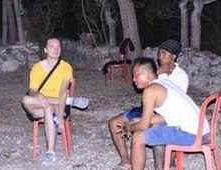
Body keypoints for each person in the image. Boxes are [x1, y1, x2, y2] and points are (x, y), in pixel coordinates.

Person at [112, 58, 208, 170]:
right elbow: (167, 116)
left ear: (147, 74)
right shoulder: (164, 82)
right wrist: (143, 120)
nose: (133, 79)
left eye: (136, 75)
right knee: (150, 126)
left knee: (138, 137)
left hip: (193, 136)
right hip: (204, 132)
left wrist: (128, 127)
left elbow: (143, 126)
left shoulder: (150, 91)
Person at [107, 39, 188, 169]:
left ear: (174, 57)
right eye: (160, 53)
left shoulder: (180, 76)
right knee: (114, 122)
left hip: (164, 113)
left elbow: (175, 111)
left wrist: (141, 121)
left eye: (164, 54)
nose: (160, 56)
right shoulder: (158, 72)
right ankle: (125, 160)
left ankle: (168, 162)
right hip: (148, 108)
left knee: (153, 127)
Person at [21, 38, 88, 163]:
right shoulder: (37, 67)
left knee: (48, 109)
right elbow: (33, 90)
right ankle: (70, 101)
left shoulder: (65, 67)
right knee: (25, 99)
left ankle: (50, 152)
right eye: (52, 46)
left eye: (58, 47)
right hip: (39, 103)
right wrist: (40, 96)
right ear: (46, 50)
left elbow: (63, 91)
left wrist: (59, 115)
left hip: (57, 105)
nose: (55, 49)